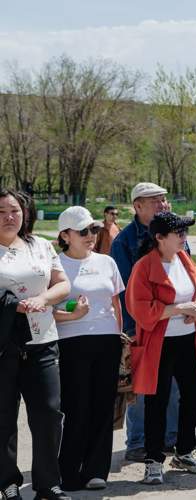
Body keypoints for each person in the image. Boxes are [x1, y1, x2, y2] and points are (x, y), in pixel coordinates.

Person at [127, 212, 196, 483]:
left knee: (193, 394)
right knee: (157, 400)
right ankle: (153, 461)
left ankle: (185, 451)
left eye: (185, 233)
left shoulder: (184, 259)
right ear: (160, 238)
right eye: (180, 233)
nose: (184, 238)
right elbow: (139, 308)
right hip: (158, 344)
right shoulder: (144, 266)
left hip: (187, 339)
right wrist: (178, 309)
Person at [0, 189, 72, 500]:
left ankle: (48, 484)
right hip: (4, 346)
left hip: (43, 341)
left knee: (49, 414)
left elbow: (63, 284)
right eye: (1, 211)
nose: (9, 216)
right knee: (3, 417)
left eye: (14, 210)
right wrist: (12, 305)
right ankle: (7, 483)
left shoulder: (41, 245)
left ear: (25, 213)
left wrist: (43, 299)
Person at [54, 207, 125, 491]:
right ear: (65, 235)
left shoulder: (107, 262)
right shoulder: (54, 265)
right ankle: (69, 471)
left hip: (107, 340)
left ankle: (97, 470)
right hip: (71, 341)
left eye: (93, 230)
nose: (90, 236)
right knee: (76, 407)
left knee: (102, 406)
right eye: (83, 231)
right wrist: (72, 313)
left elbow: (116, 303)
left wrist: (121, 338)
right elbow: (48, 309)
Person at [111, 182, 180, 462]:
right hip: (139, 323)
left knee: (173, 384)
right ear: (137, 206)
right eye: (155, 201)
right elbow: (128, 288)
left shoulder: (174, 233)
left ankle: (170, 439)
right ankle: (137, 442)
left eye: (164, 200)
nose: (162, 205)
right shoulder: (124, 241)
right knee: (140, 386)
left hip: (173, 322)